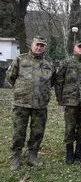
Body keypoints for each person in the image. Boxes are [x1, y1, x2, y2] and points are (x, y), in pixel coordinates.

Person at [6, 36, 56, 171]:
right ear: (31, 45)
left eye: (42, 45)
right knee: (19, 131)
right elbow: (11, 77)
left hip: (40, 104)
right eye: (37, 45)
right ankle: (16, 157)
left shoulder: (50, 63)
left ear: (45, 47)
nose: (39, 47)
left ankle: (32, 156)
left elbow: (52, 81)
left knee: (38, 132)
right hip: (22, 102)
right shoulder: (21, 59)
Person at [55, 39, 81, 165]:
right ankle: (69, 152)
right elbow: (59, 81)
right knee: (69, 127)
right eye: (79, 47)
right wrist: (60, 98)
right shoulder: (66, 62)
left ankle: (79, 150)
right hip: (70, 100)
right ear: (74, 48)